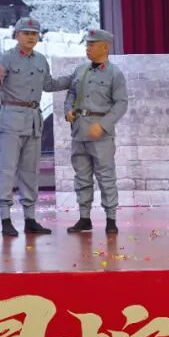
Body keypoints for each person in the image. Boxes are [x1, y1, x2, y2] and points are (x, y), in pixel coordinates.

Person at [0, 16, 72, 237]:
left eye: (34, 34)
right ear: (17, 35)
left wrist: (73, 79)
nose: (31, 37)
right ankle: (6, 218)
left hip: (33, 121)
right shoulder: (5, 58)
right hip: (11, 119)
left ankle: (30, 219)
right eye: (26, 33)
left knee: (30, 171)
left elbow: (48, 84)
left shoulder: (41, 60)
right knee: (7, 169)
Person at [64, 28, 129, 235]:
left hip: (100, 133)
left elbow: (121, 104)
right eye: (87, 44)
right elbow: (71, 94)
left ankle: (111, 218)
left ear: (105, 47)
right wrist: (68, 111)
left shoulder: (115, 73)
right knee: (82, 177)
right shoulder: (80, 70)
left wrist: (103, 125)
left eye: (92, 44)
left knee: (106, 177)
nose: (88, 48)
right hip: (79, 131)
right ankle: (84, 218)